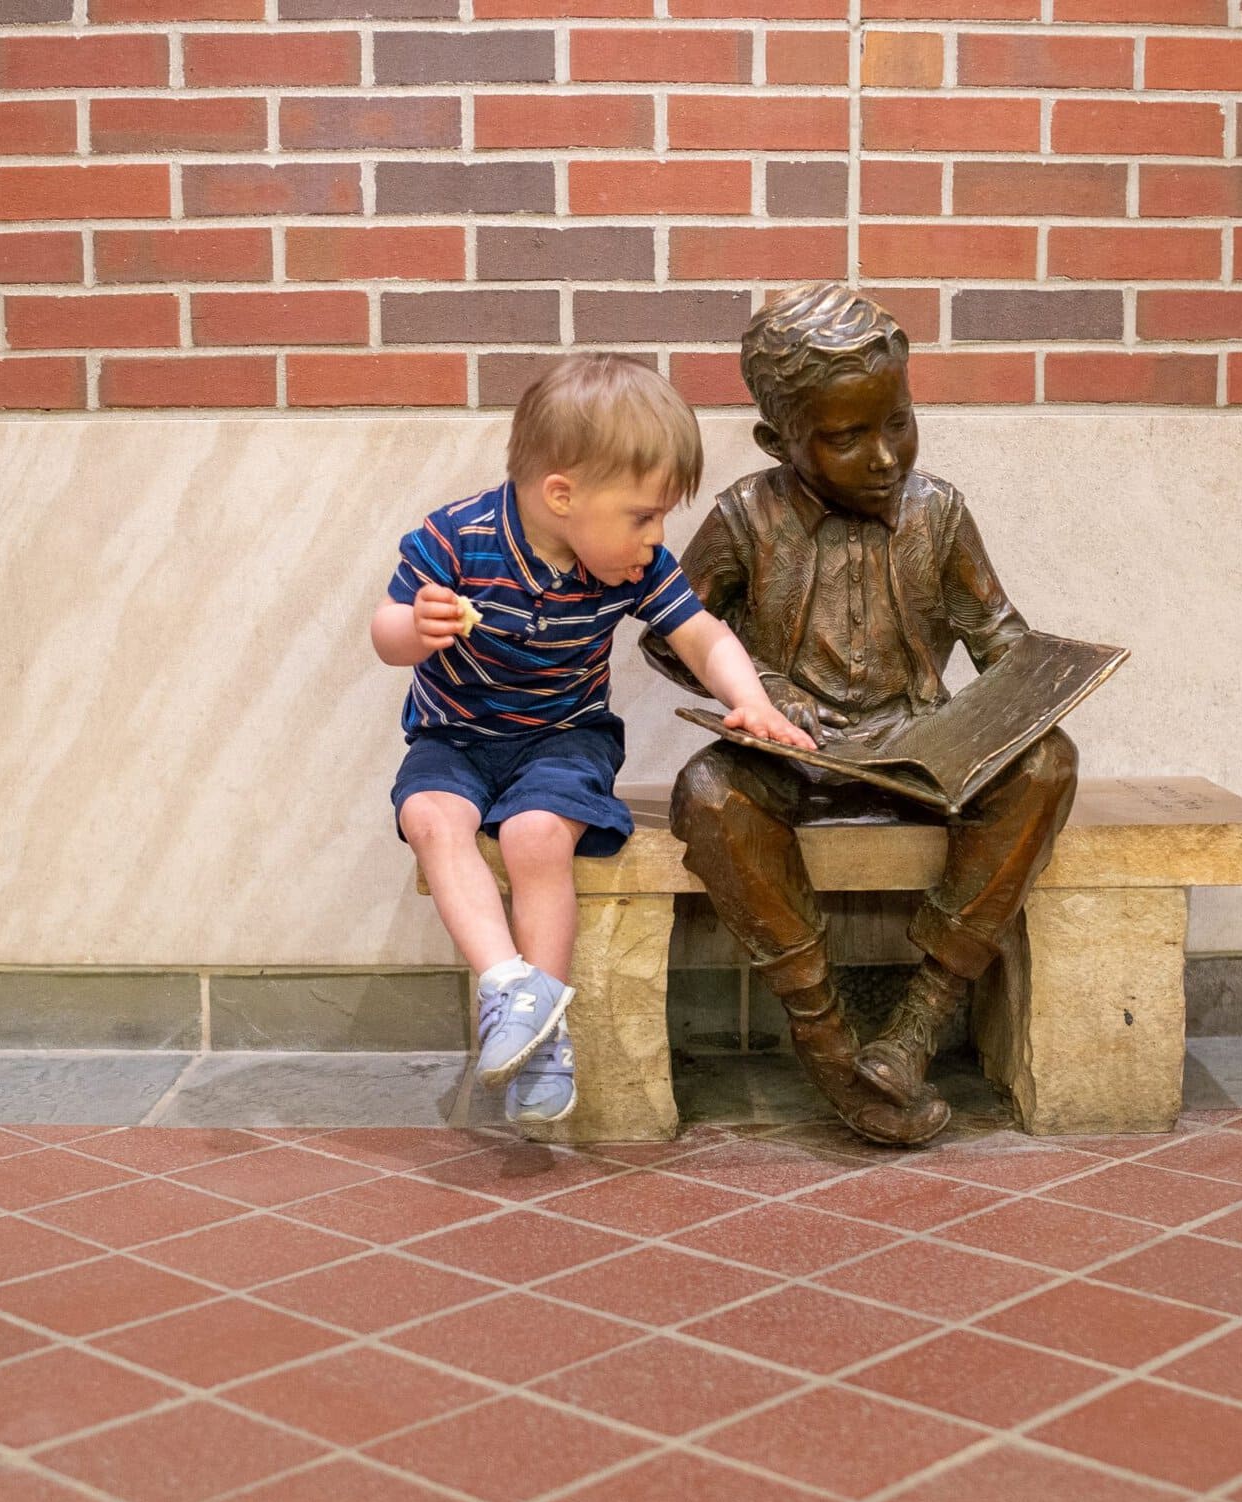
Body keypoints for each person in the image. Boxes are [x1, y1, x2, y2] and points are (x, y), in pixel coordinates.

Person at [644, 284, 1078, 1146]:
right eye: (846, 437)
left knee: (1047, 763)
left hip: (916, 748)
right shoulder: (744, 516)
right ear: (779, 440)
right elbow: (670, 636)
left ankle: (920, 1018)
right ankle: (827, 1034)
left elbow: (999, 637)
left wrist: (1030, 686)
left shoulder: (939, 511)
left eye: (899, 422)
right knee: (709, 793)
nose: (885, 457)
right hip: (792, 753)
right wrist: (757, 688)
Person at [374, 354, 813, 1127]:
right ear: (562, 495)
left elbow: (703, 636)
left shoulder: (631, 569)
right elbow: (384, 633)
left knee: (538, 836)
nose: (656, 537)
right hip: (454, 735)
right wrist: (415, 628)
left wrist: (753, 701)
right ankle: (510, 988)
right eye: (643, 516)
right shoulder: (456, 537)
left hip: (564, 739)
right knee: (432, 819)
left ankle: (541, 1038)